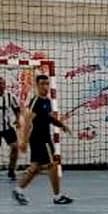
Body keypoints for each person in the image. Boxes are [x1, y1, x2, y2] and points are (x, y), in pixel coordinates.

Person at [13, 74, 73, 205]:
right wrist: (23, 141)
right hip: (40, 139)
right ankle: (57, 196)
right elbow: (27, 122)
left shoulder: (47, 101)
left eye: (47, 84)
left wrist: (61, 125)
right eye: (42, 84)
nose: (45, 87)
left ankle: (18, 190)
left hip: (44, 138)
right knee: (53, 165)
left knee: (36, 168)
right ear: (36, 85)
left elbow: (48, 118)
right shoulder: (36, 101)